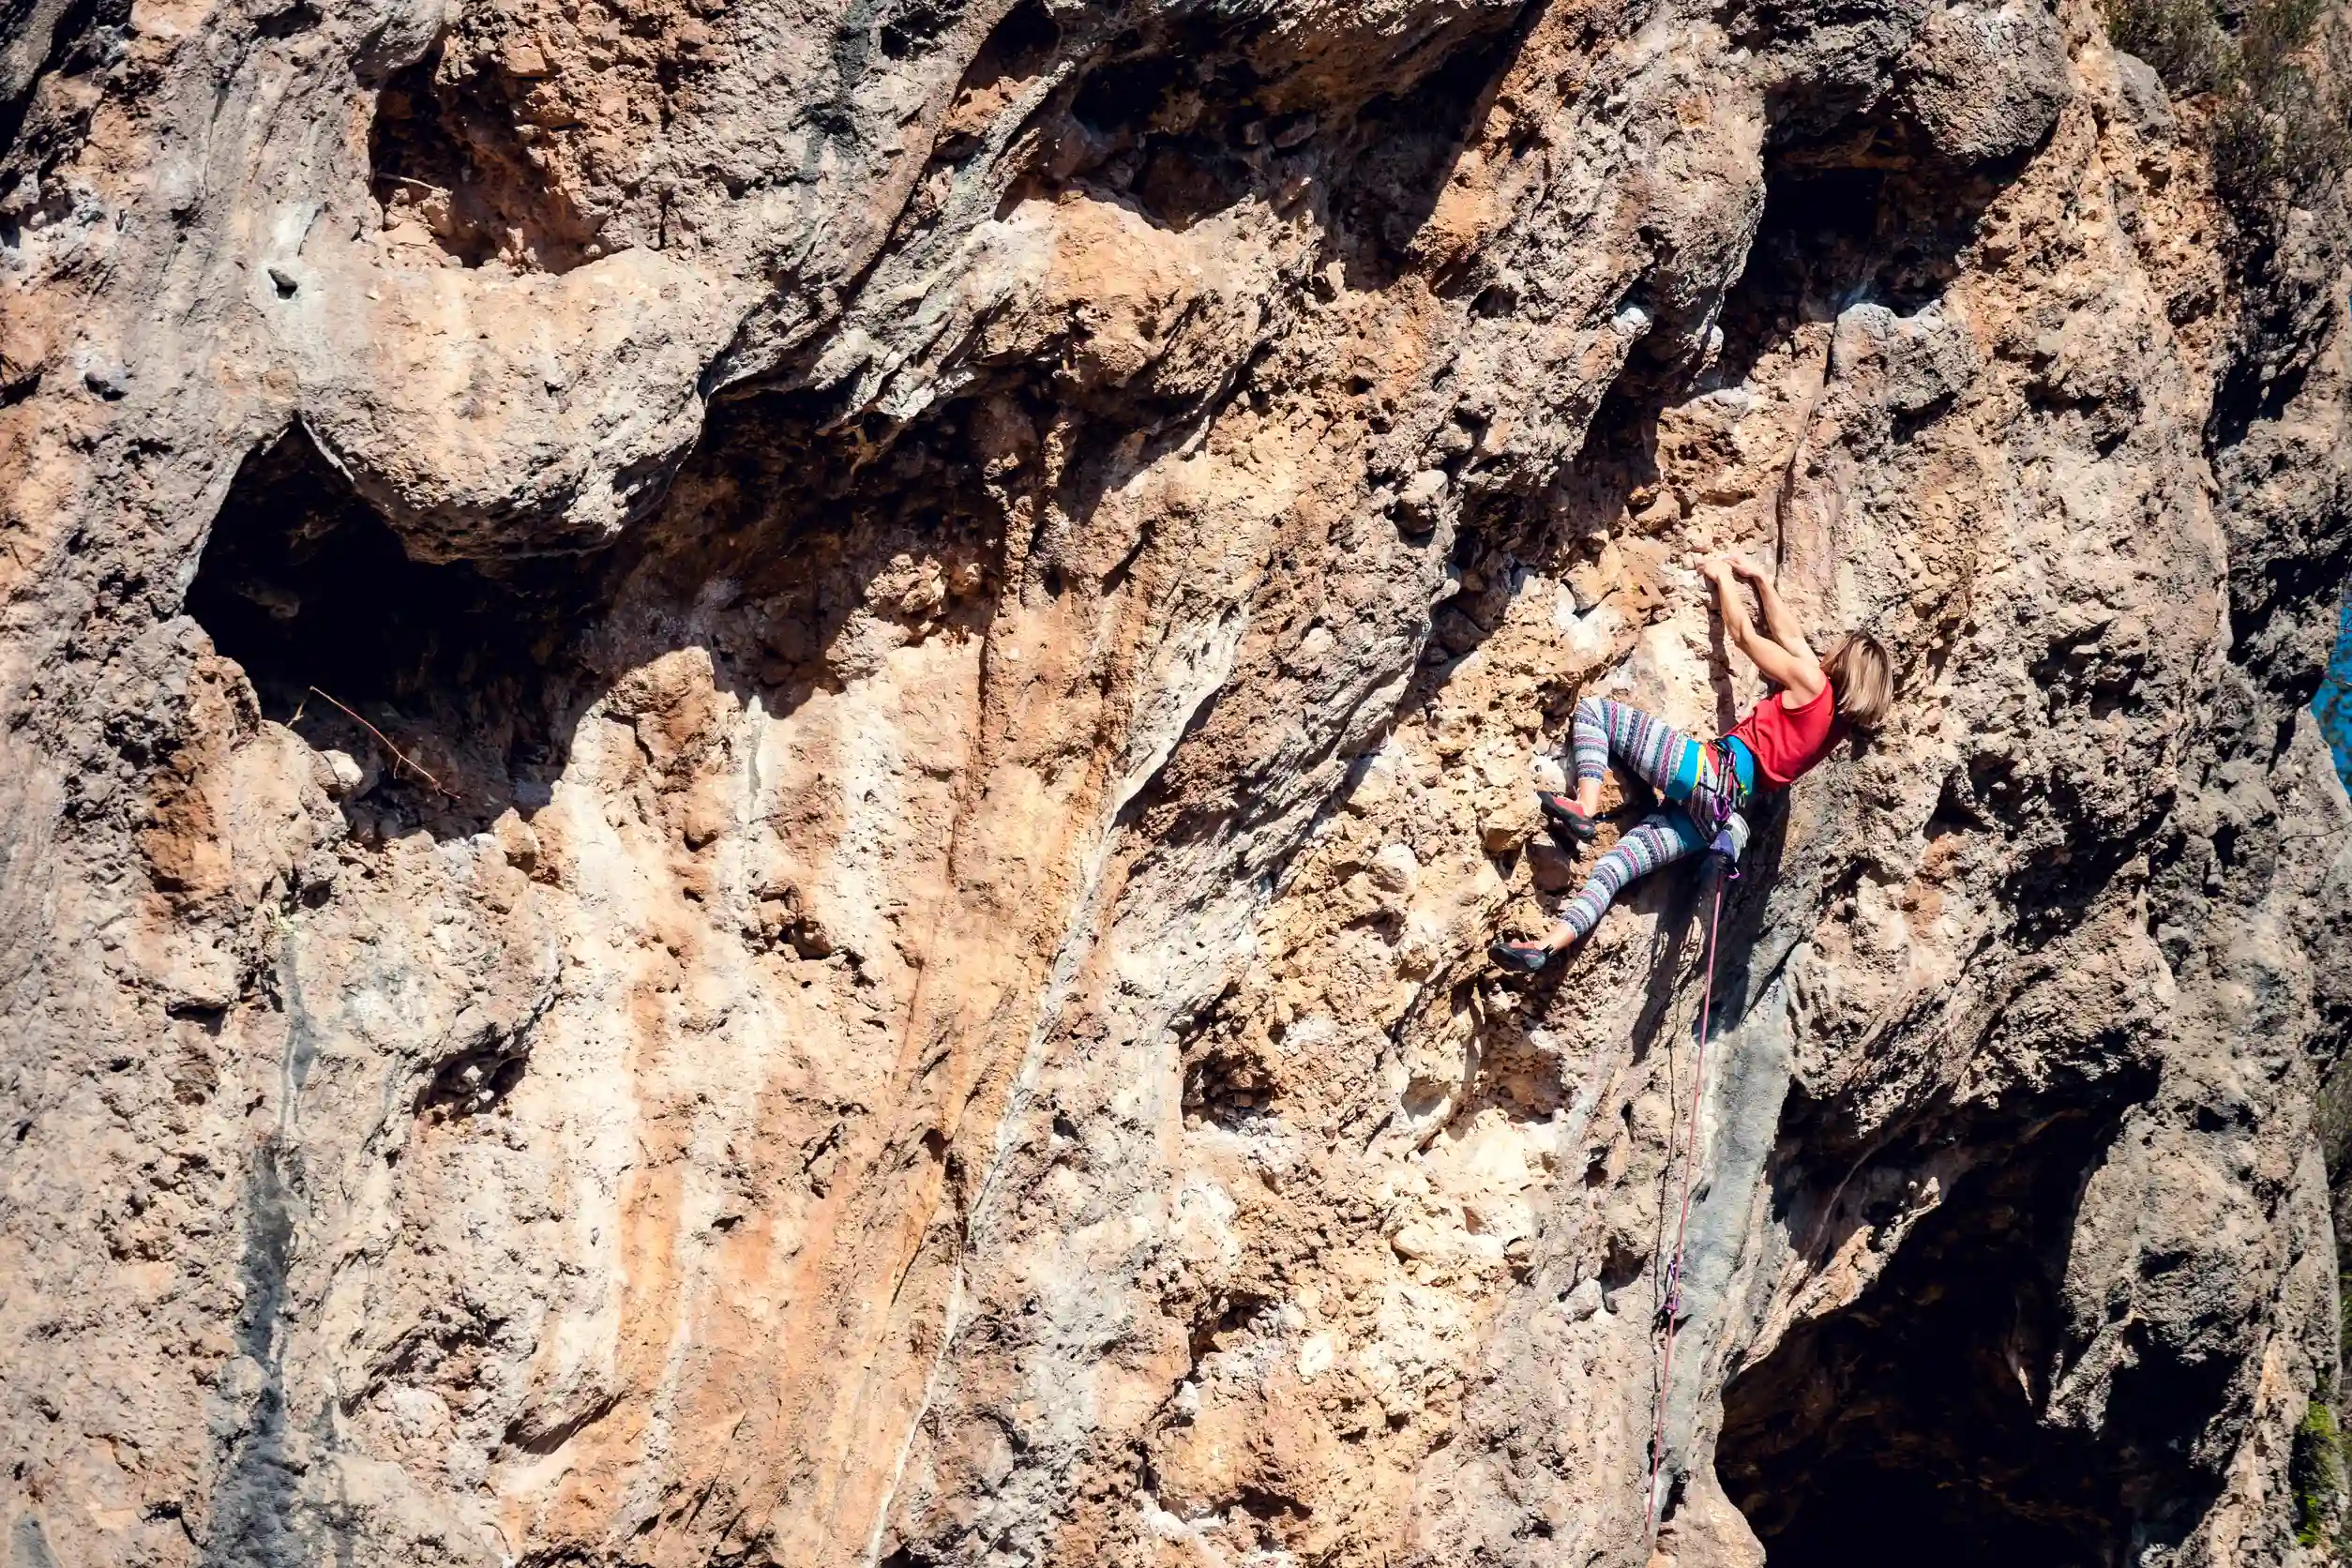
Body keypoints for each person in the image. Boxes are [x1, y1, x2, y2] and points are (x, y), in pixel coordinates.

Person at [1489, 557, 1892, 972]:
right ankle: (1545, 947)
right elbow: (1791, 638)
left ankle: (1585, 808)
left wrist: (1723, 580)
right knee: (1613, 868)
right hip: (1714, 819)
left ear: (1844, 662)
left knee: (1596, 713)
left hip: (1703, 772)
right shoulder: (1834, 726)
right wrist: (1761, 581)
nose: (1827, 650)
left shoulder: (1812, 684)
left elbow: (1743, 635)